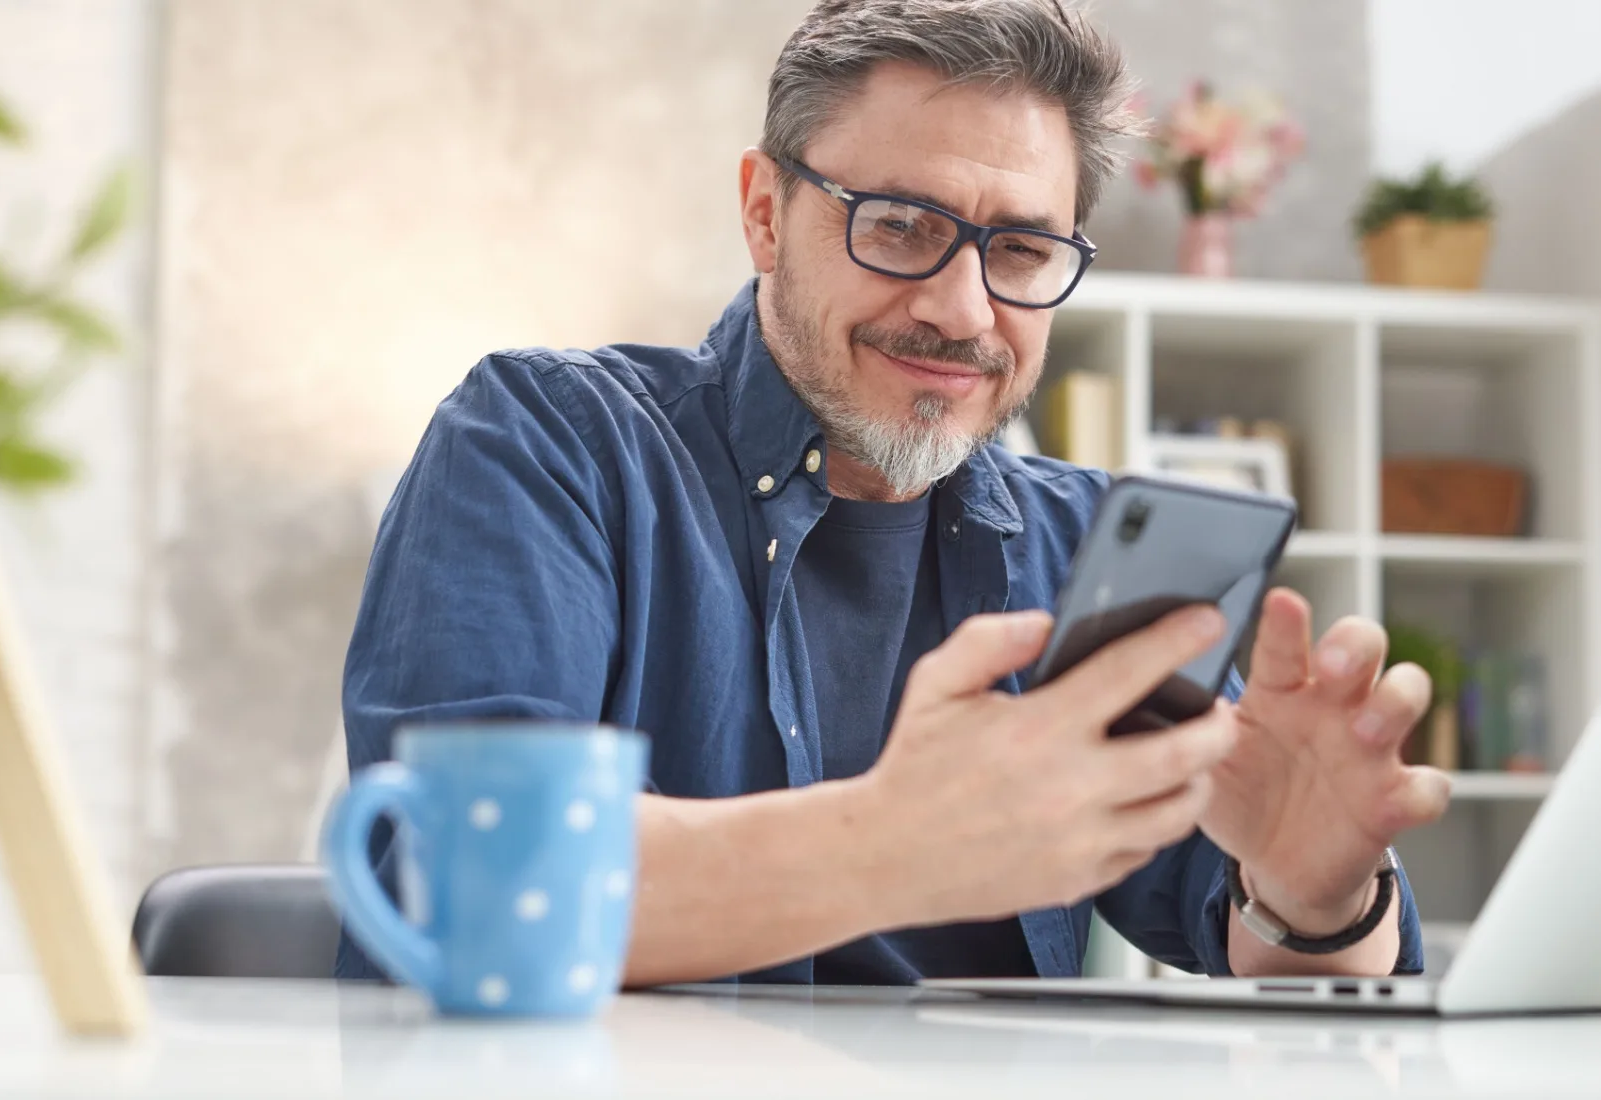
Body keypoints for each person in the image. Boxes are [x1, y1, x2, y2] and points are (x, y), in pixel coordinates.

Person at [339, 0, 1450, 985]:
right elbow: (465, 885)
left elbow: (1270, 949)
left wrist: (1317, 891)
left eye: (1020, 250)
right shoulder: (551, 443)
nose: (964, 310)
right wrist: (894, 841)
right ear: (766, 212)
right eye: (901, 226)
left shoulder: (1084, 544)